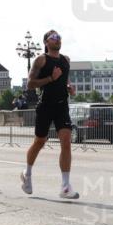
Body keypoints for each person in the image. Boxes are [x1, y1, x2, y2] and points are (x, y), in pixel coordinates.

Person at [20, 30, 79, 199]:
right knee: (39, 142)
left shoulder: (66, 60)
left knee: (66, 142)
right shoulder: (41, 60)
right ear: (46, 42)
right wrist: (51, 79)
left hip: (62, 106)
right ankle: (27, 174)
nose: (57, 39)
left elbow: (65, 79)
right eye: (53, 37)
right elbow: (31, 84)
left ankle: (65, 186)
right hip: (45, 106)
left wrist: (69, 87)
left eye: (59, 37)